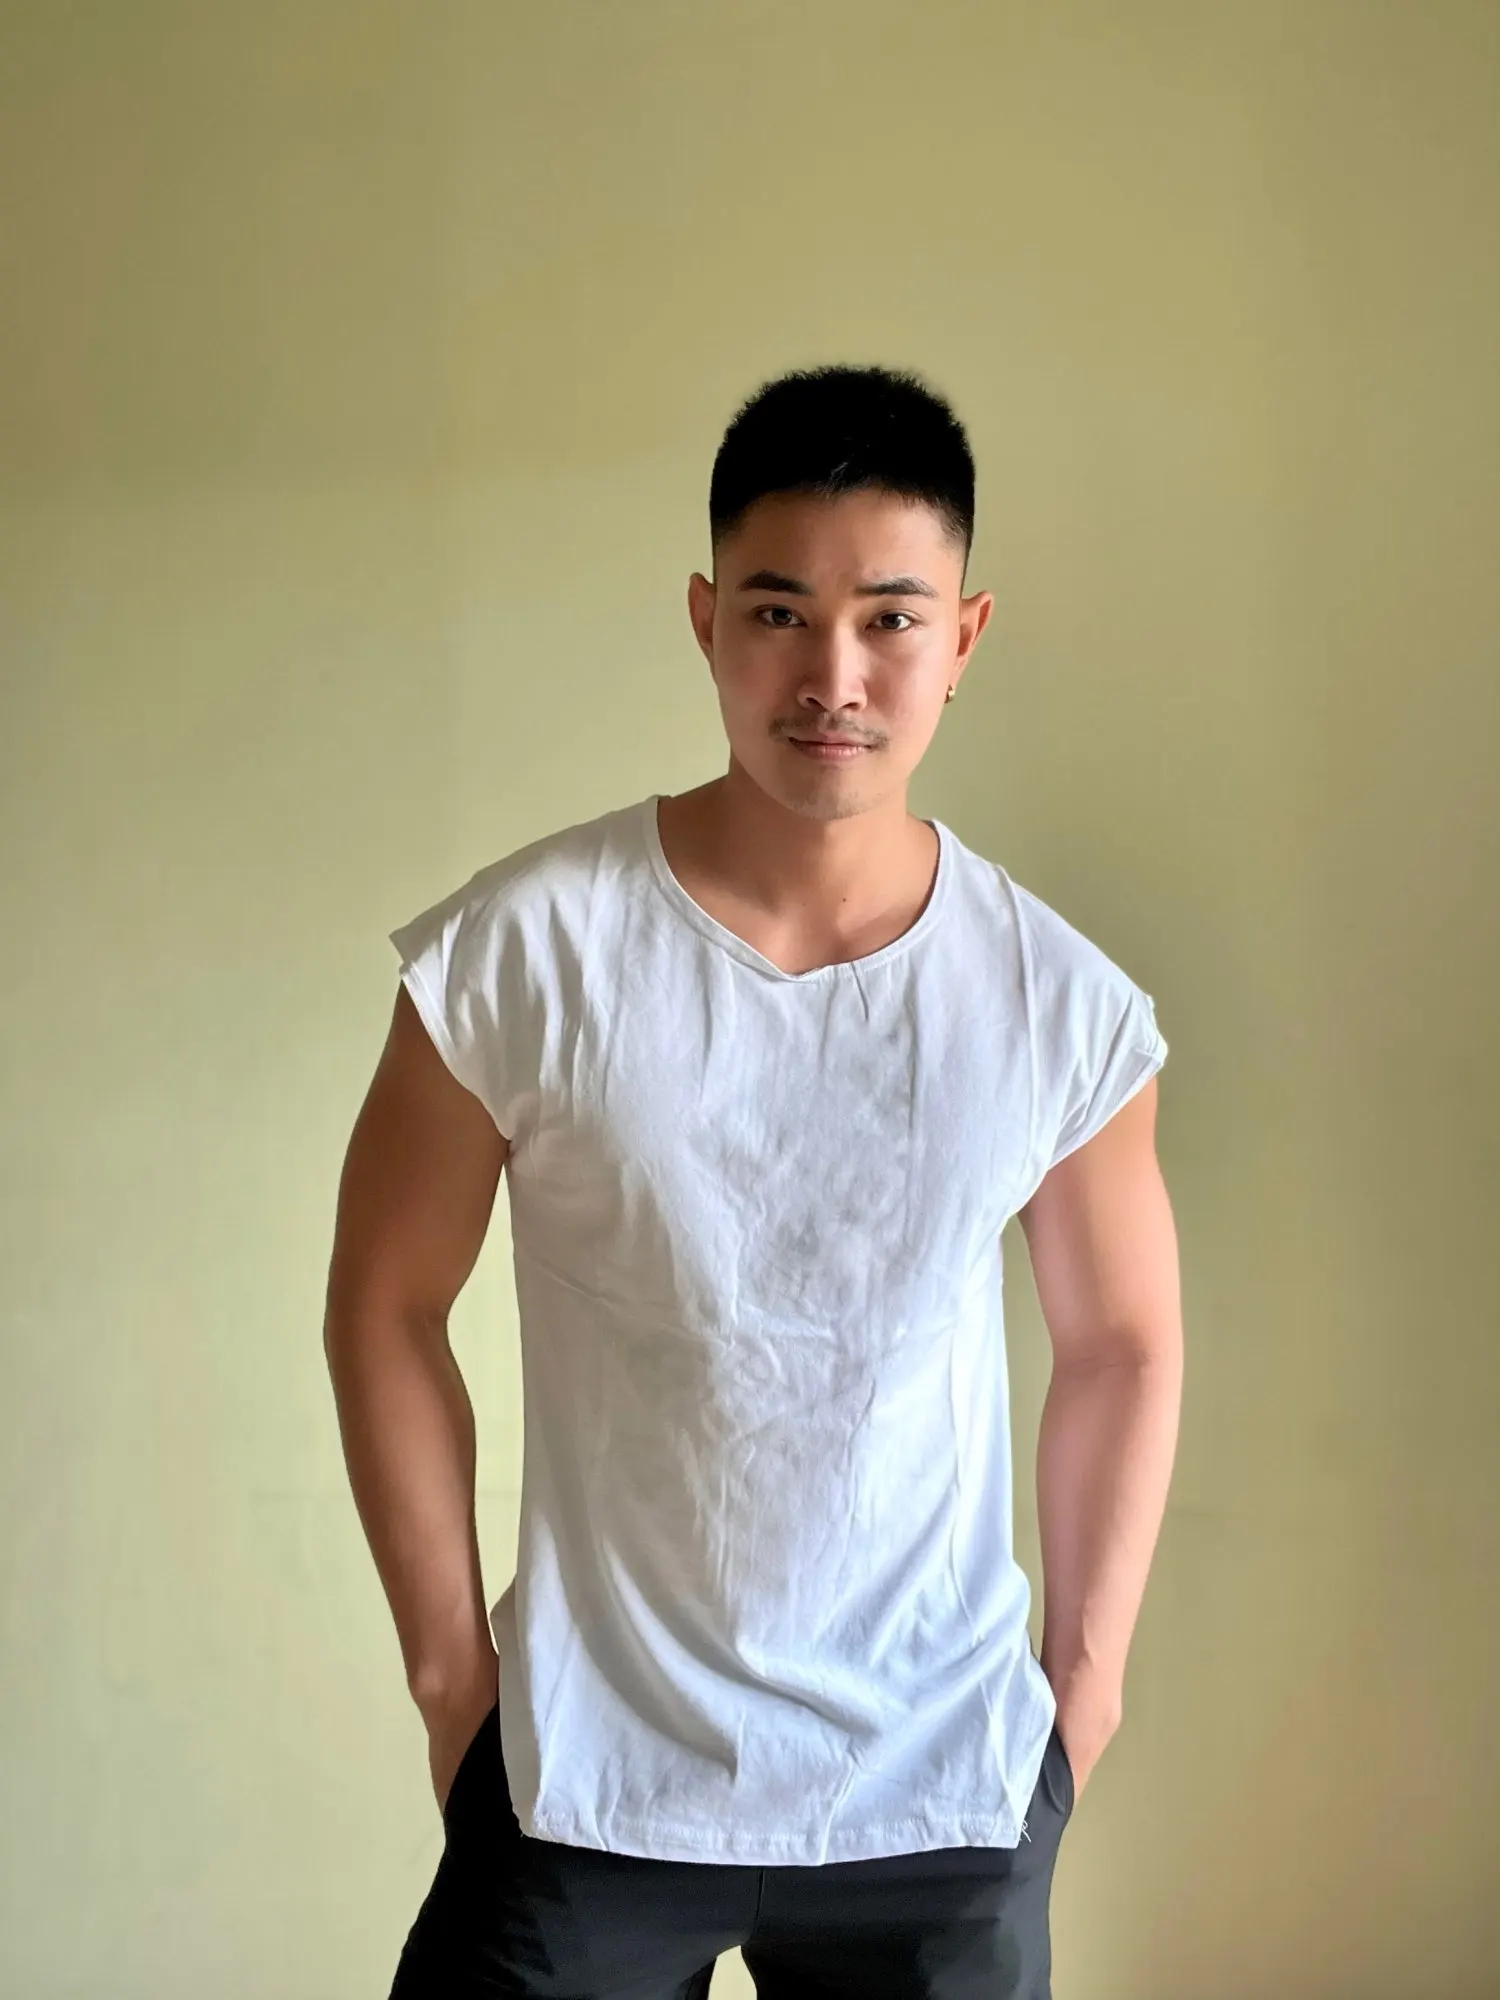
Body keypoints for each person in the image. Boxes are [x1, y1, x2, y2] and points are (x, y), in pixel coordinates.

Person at [323, 363, 1184, 1999]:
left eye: (891, 620)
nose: (833, 676)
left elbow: (1123, 1345)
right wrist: (450, 1677)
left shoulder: (1054, 1003)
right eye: (781, 613)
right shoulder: (520, 951)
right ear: (707, 621)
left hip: (937, 1790)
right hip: (588, 1780)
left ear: (964, 638)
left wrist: (1084, 1688)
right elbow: (385, 1303)